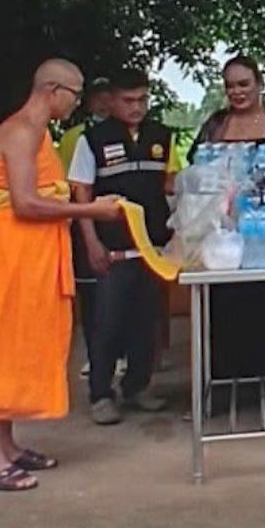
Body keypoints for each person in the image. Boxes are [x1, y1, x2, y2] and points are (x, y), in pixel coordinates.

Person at [0, 59, 122, 491]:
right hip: (9, 253)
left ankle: (6, 446)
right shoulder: (21, 132)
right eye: (75, 94)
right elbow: (25, 203)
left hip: (32, 254)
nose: (78, 103)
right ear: (52, 90)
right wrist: (90, 209)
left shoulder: (39, 133)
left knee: (19, 343)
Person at [68, 68, 179, 425]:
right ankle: (101, 394)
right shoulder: (92, 140)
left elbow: (171, 188)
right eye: (128, 100)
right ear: (111, 101)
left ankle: (137, 386)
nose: (136, 107)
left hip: (153, 248)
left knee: (147, 322)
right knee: (107, 323)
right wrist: (91, 243)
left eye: (142, 99)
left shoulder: (162, 136)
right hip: (111, 248)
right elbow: (81, 195)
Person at [188, 56, 265, 378]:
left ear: (259, 84)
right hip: (225, 231)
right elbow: (195, 169)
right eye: (230, 86)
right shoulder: (215, 124)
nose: (237, 92)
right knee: (229, 303)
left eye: (244, 84)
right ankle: (230, 378)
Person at [56, 78, 116, 379]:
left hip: (122, 225)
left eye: (109, 97)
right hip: (85, 221)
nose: (104, 104)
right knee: (92, 296)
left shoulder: (135, 134)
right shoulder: (76, 137)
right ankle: (96, 360)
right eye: (98, 98)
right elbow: (68, 185)